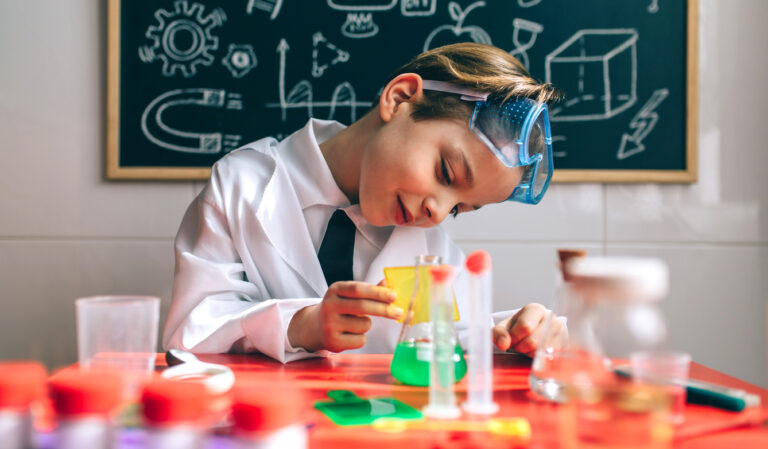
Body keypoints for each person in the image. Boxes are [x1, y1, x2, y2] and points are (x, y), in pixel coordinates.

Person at [163, 43, 569, 363]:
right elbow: (188, 335)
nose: (439, 213)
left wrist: (517, 334)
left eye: (461, 208)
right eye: (445, 173)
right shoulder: (241, 184)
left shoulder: (429, 248)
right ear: (400, 97)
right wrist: (297, 327)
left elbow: (450, 344)